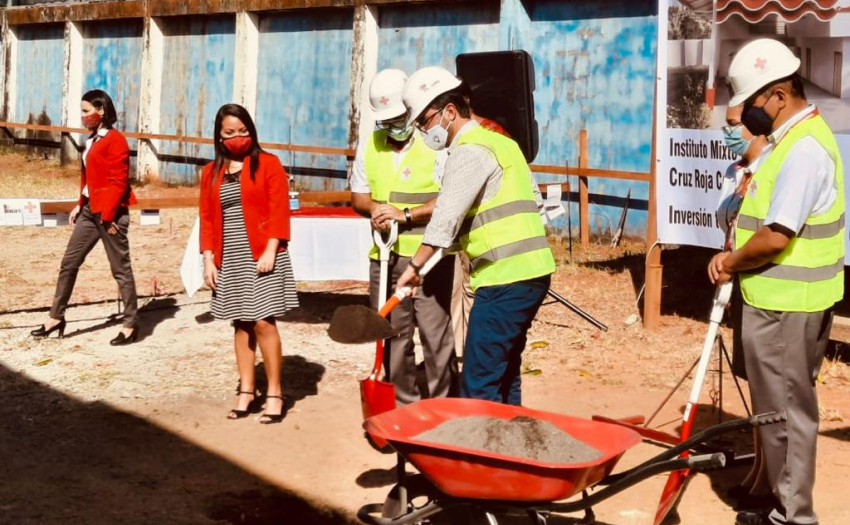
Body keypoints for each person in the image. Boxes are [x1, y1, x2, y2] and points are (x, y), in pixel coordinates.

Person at [708, 39, 844, 525]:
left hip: (789, 302)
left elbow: (775, 237)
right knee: (776, 412)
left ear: (780, 96)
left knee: (787, 415)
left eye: (753, 102)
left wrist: (730, 261)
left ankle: (793, 517)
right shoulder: (789, 143)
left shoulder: (804, 150)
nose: (748, 114)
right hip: (776, 297)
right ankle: (777, 502)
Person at [397, 66, 556, 406]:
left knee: (478, 382)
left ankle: (478, 455)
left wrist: (412, 269)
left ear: (450, 111)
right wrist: (426, 269)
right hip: (533, 272)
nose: (424, 132)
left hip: (505, 279)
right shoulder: (502, 142)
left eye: (425, 122)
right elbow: (528, 204)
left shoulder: (469, 149)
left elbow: (444, 220)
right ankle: (509, 449)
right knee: (504, 371)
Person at [351, 68, 458, 406]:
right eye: (386, 121)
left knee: (435, 335)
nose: (392, 126)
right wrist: (377, 208)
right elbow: (358, 195)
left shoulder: (436, 144)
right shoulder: (371, 144)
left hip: (430, 258)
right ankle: (403, 407)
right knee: (392, 335)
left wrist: (406, 214)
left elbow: (451, 196)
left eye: (398, 118)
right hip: (385, 258)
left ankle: (444, 406)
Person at [199, 103, 299, 424]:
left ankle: (274, 392)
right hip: (228, 256)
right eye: (230, 133)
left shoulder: (268, 164)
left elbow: (278, 208)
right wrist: (208, 259)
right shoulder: (209, 172)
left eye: (243, 131)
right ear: (219, 135)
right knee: (240, 323)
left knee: (262, 322)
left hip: (261, 253)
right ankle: (246, 389)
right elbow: (207, 218)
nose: (237, 137)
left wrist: (272, 248)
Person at [31, 89, 139, 346]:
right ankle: (56, 317)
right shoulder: (91, 140)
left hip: (110, 214)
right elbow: (88, 177)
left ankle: (130, 325)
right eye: (82, 111)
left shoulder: (116, 140)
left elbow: (118, 182)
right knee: (69, 263)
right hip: (91, 212)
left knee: (120, 270)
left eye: (86, 111)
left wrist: (110, 216)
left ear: (101, 111)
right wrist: (81, 204)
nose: (83, 116)